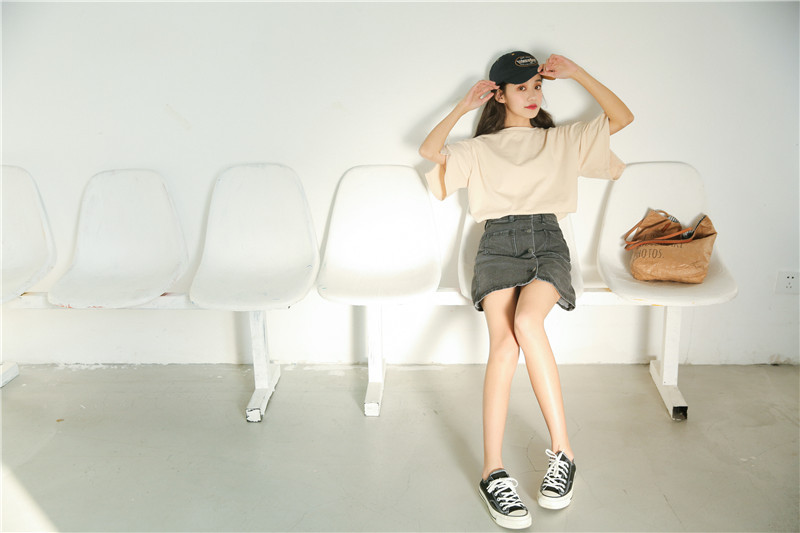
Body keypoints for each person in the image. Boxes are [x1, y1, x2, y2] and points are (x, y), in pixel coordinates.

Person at [419, 51, 633, 530]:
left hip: (548, 241)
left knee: (527, 322)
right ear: (499, 94)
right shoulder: (481, 148)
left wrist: (577, 73)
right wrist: (463, 105)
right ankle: (492, 472)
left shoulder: (560, 140)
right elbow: (430, 151)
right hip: (497, 244)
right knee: (504, 345)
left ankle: (563, 452)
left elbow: (622, 118)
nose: (533, 95)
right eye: (522, 87)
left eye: (538, 85)